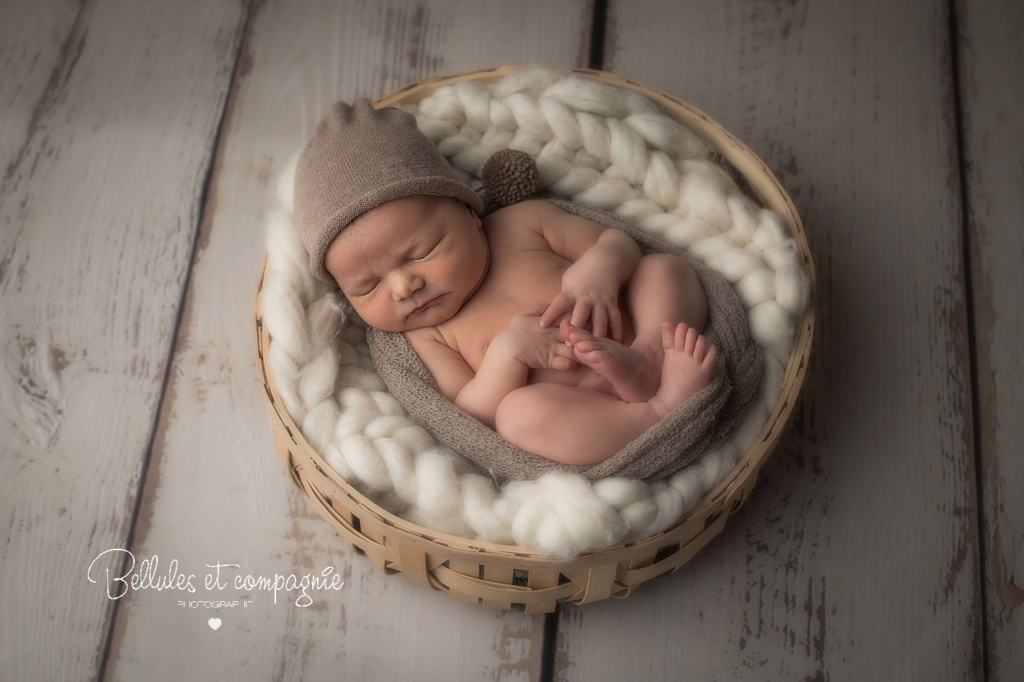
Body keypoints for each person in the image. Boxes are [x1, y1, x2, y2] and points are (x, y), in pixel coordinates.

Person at [294, 99, 717, 467]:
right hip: (585, 408)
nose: (403, 287)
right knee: (518, 417)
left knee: (662, 270)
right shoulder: (428, 335)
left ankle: (648, 355)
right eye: (367, 287)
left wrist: (600, 268)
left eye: (420, 252)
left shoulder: (520, 224)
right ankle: (657, 412)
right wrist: (507, 354)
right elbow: (474, 416)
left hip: (640, 339)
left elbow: (619, 242)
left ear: (469, 213)